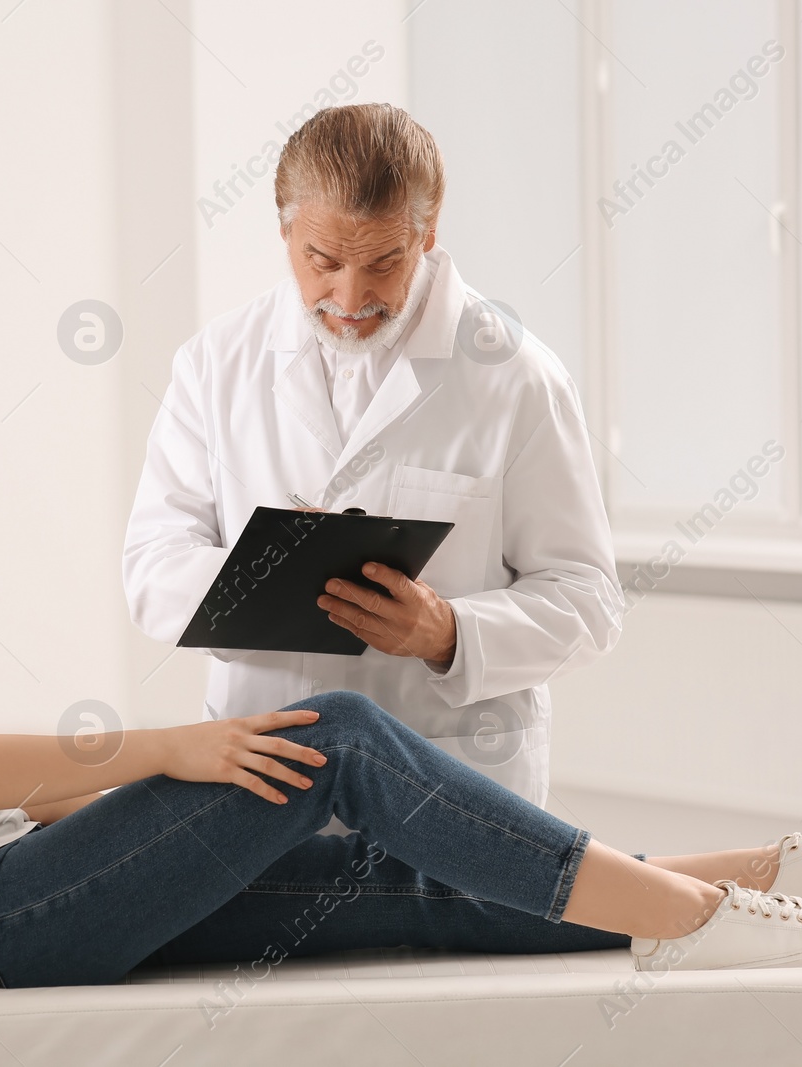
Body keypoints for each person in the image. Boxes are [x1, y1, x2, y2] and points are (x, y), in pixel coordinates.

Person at [0, 338, 802, 993]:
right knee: (342, 739)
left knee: (390, 878)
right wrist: (164, 751)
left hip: (6, 880)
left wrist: (124, 824)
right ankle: (698, 924)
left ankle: (760, 877)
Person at [125, 103, 617, 808]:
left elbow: (588, 598)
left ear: (428, 232)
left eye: (384, 262)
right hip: (263, 778)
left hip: (453, 781)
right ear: (285, 231)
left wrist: (447, 632)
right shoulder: (215, 364)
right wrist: (276, 580)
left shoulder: (515, 377)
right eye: (321, 262)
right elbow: (152, 565)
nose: (350, 298)